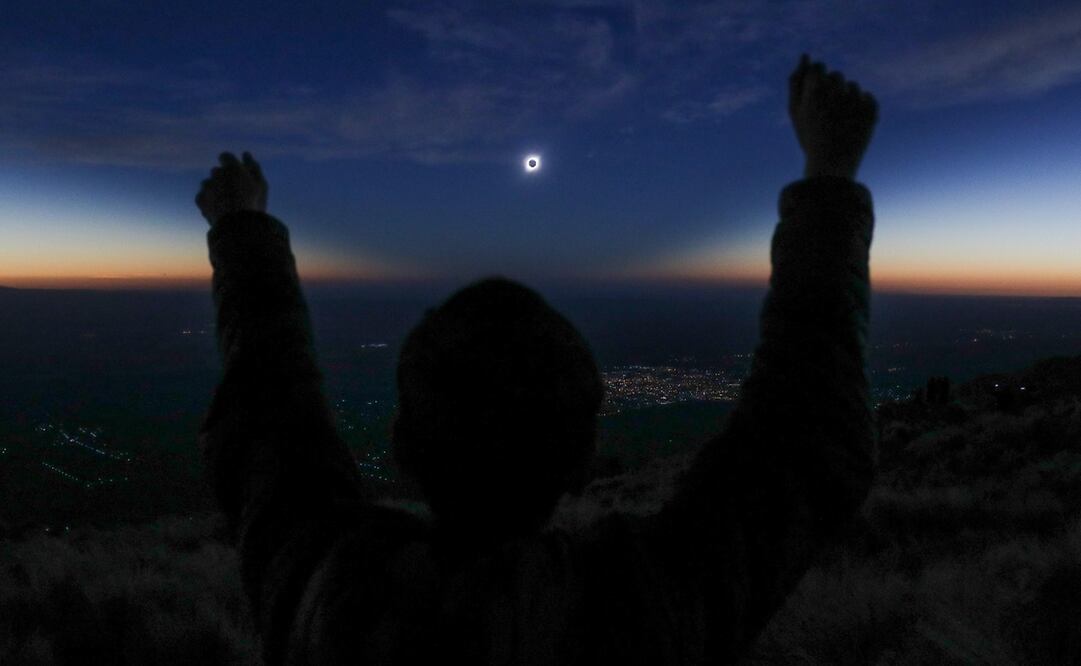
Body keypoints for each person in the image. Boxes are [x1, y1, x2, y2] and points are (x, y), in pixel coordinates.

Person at [195, 54, 878, 665]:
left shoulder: (330, 596)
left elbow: (269, 411)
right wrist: (829, 173)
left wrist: (242, 228)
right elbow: (804, 427)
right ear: (582, 460)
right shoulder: (637, 615)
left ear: (402, 447)